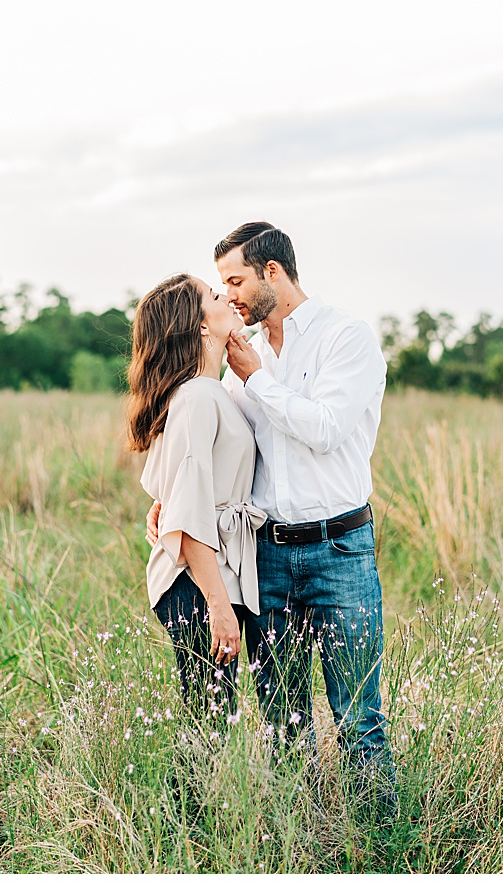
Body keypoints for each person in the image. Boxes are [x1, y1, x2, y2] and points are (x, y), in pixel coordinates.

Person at [148, 223, 396, 814]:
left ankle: (379, 842)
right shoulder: (236, 361)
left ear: (273, 273)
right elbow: (212, 448)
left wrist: (255, 376)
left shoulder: (344, 338)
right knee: (285, 721)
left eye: (234, 280)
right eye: (221, 286)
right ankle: (302, 836)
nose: (229, 293)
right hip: (265, 559)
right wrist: (172, 505)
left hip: (340, 549)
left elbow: (326, 429)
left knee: (359, 712)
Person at [128, 274, 266, 727]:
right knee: (208, 725)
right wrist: (218, 605)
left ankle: (203, 799)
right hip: (197, 581)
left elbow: (179, 492)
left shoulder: (212, 390)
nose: (226, 296)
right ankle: (191, 802)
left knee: (212, 718)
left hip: (216, 572)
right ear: (201, 326)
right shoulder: (196, 397)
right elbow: (186, 519)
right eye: (213, 295)